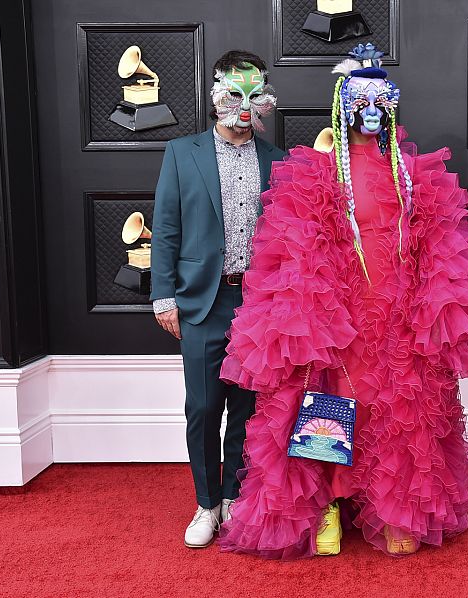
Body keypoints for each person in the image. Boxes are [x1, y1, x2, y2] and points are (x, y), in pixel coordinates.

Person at [217, 43, 468, 558]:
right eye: (361, 104)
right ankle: (327, 503)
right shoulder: (320, 171)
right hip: (340, 309)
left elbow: (436, 243)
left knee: (396, 408)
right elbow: (295, 243)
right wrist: (316, 308)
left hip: (397, 310)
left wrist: (429, 303)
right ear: (345, 109)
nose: (371, 113)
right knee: (329, 399)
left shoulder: (412, 174)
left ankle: (396, 505)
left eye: (380, 104)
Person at [149, 50, 285, 549]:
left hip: (259, 304)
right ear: (216, 94)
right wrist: (163, 296)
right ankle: (206, 503)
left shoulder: (278, 160)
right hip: (201, 301)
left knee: (249, 409)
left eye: (255, 94)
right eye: (235, 93)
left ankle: (233, 496)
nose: (244, 105)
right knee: (204, 407)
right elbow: (164, 229)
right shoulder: (182, 153)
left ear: (266, 98)